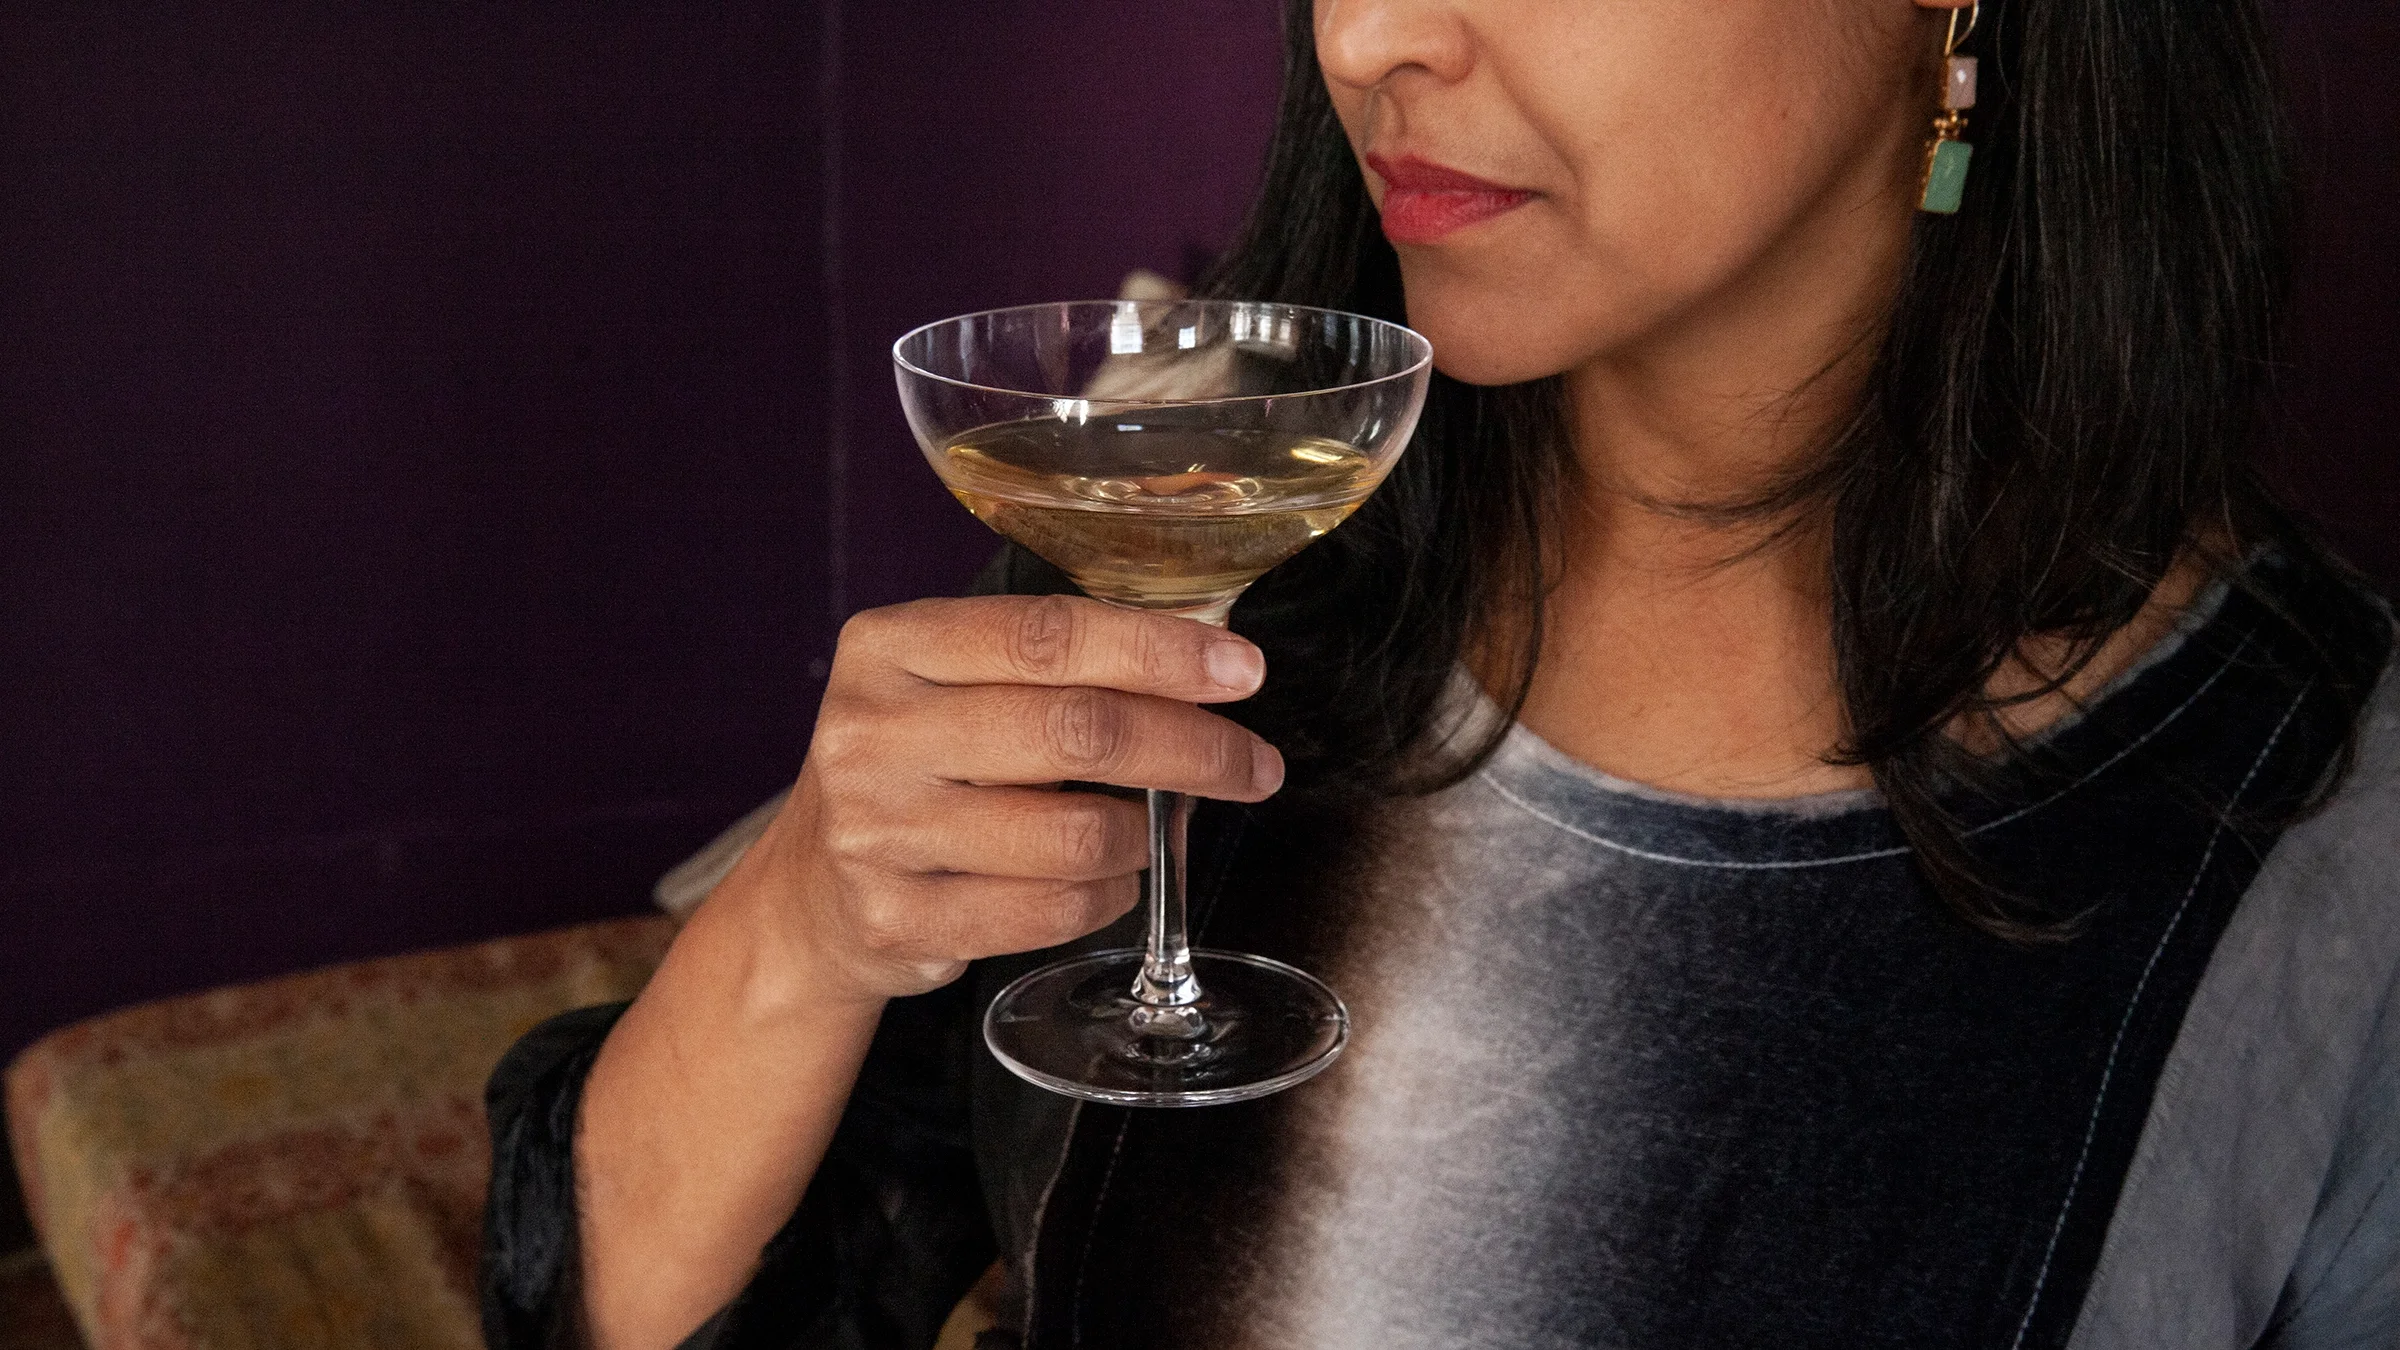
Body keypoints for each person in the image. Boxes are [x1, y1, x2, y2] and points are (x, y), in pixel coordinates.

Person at [480, 0, 2400, 1346]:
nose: (1367, 36)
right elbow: (668, 1305)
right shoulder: (1210, 501)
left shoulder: (2333, 834)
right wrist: (805, 923)